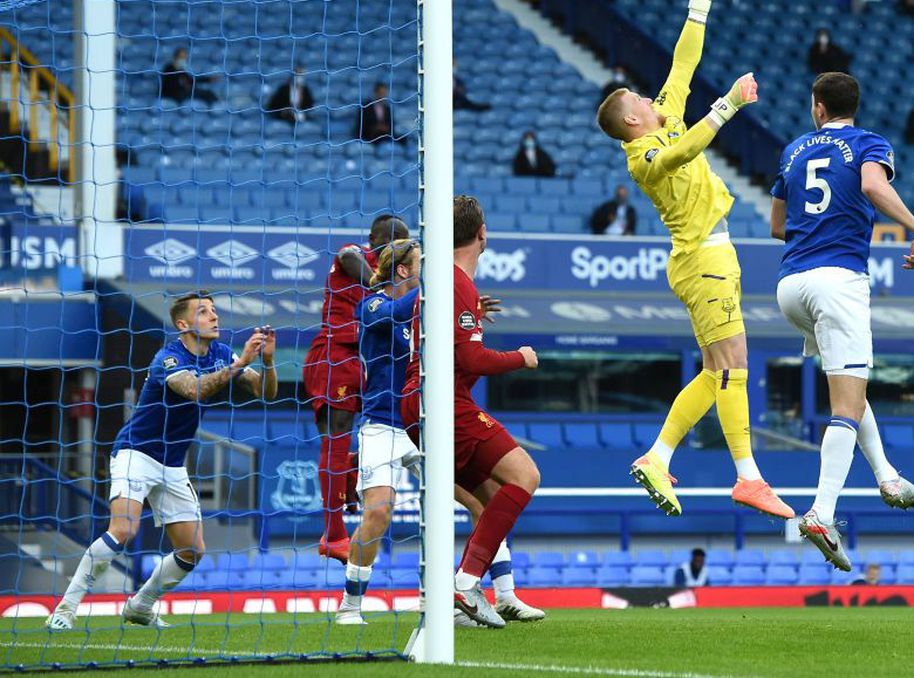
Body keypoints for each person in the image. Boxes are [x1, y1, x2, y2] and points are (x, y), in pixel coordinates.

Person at [594, 0, 793, 521]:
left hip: (709, 256)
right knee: (735, 367)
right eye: (637, 95)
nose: (647, 93)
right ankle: (748, 477)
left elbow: (684, 61)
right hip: (702, 259)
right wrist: (727, 105)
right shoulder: (641, 156)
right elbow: (679, 156)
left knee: (715, 372)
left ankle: (657, 457)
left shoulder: (668, 115)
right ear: (633, 118)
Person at [770, 72, 914, 573]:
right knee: (845, 401)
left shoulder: (793, 151)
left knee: (849, 391)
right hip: (839, 282)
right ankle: (821, 512)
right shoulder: (867, 142)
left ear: (817, 107)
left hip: (790, 285)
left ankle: (887, 476)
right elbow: (870, 183)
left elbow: (778, 225)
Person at [46, 293, 276, 630]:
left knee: (192, 551)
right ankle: (65, 609)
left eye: (214, 311)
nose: (214, 317)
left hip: (172, 464)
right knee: (123, 529)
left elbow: (266, 393)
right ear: (183, 325)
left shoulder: (219, 353)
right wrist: (240, 363)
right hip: (136, 453)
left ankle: (141, 605)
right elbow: (195, 389)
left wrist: (267, 362)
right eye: (203, 312)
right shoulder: (167, 358)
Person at [402, 195, 542, 628]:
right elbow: (473, 361)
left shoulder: (449, 284)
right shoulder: (457, 282)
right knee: (526, 476)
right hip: (443, 402)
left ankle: (469, 601)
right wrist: (521, 357)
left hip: (422, 402)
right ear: (483, 235)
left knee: (489, 503)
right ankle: (462, 583)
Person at [302, 214, 410, 563]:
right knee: (336, 435)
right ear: (373, 239)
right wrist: (380, 282)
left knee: (384, 430)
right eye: (390, 240)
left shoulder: (400, 277)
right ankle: (334, 535)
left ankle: (351, 468)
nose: (395, 246)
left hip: (370, 362)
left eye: (401, 242)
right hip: (336, 354)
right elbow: (349, 257)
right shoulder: (354, 256)